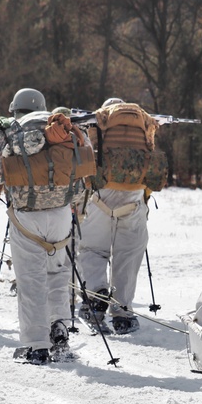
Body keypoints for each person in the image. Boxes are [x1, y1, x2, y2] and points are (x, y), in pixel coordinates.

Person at [0, 88, 94, 364]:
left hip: (26, 217)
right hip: (61, 214)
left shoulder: (8, 133)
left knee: (31, 281)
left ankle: (36, 346)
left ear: (13, 110)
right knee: (57, 274)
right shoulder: (59, 126)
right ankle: (60, 328)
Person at [76, 97, 152, 335]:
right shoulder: (143, 123)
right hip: (134, 197)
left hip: (101, 197)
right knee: (128, 255)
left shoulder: (97, 123)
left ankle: (96, 298)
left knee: (92, 249)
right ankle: (123, 314)